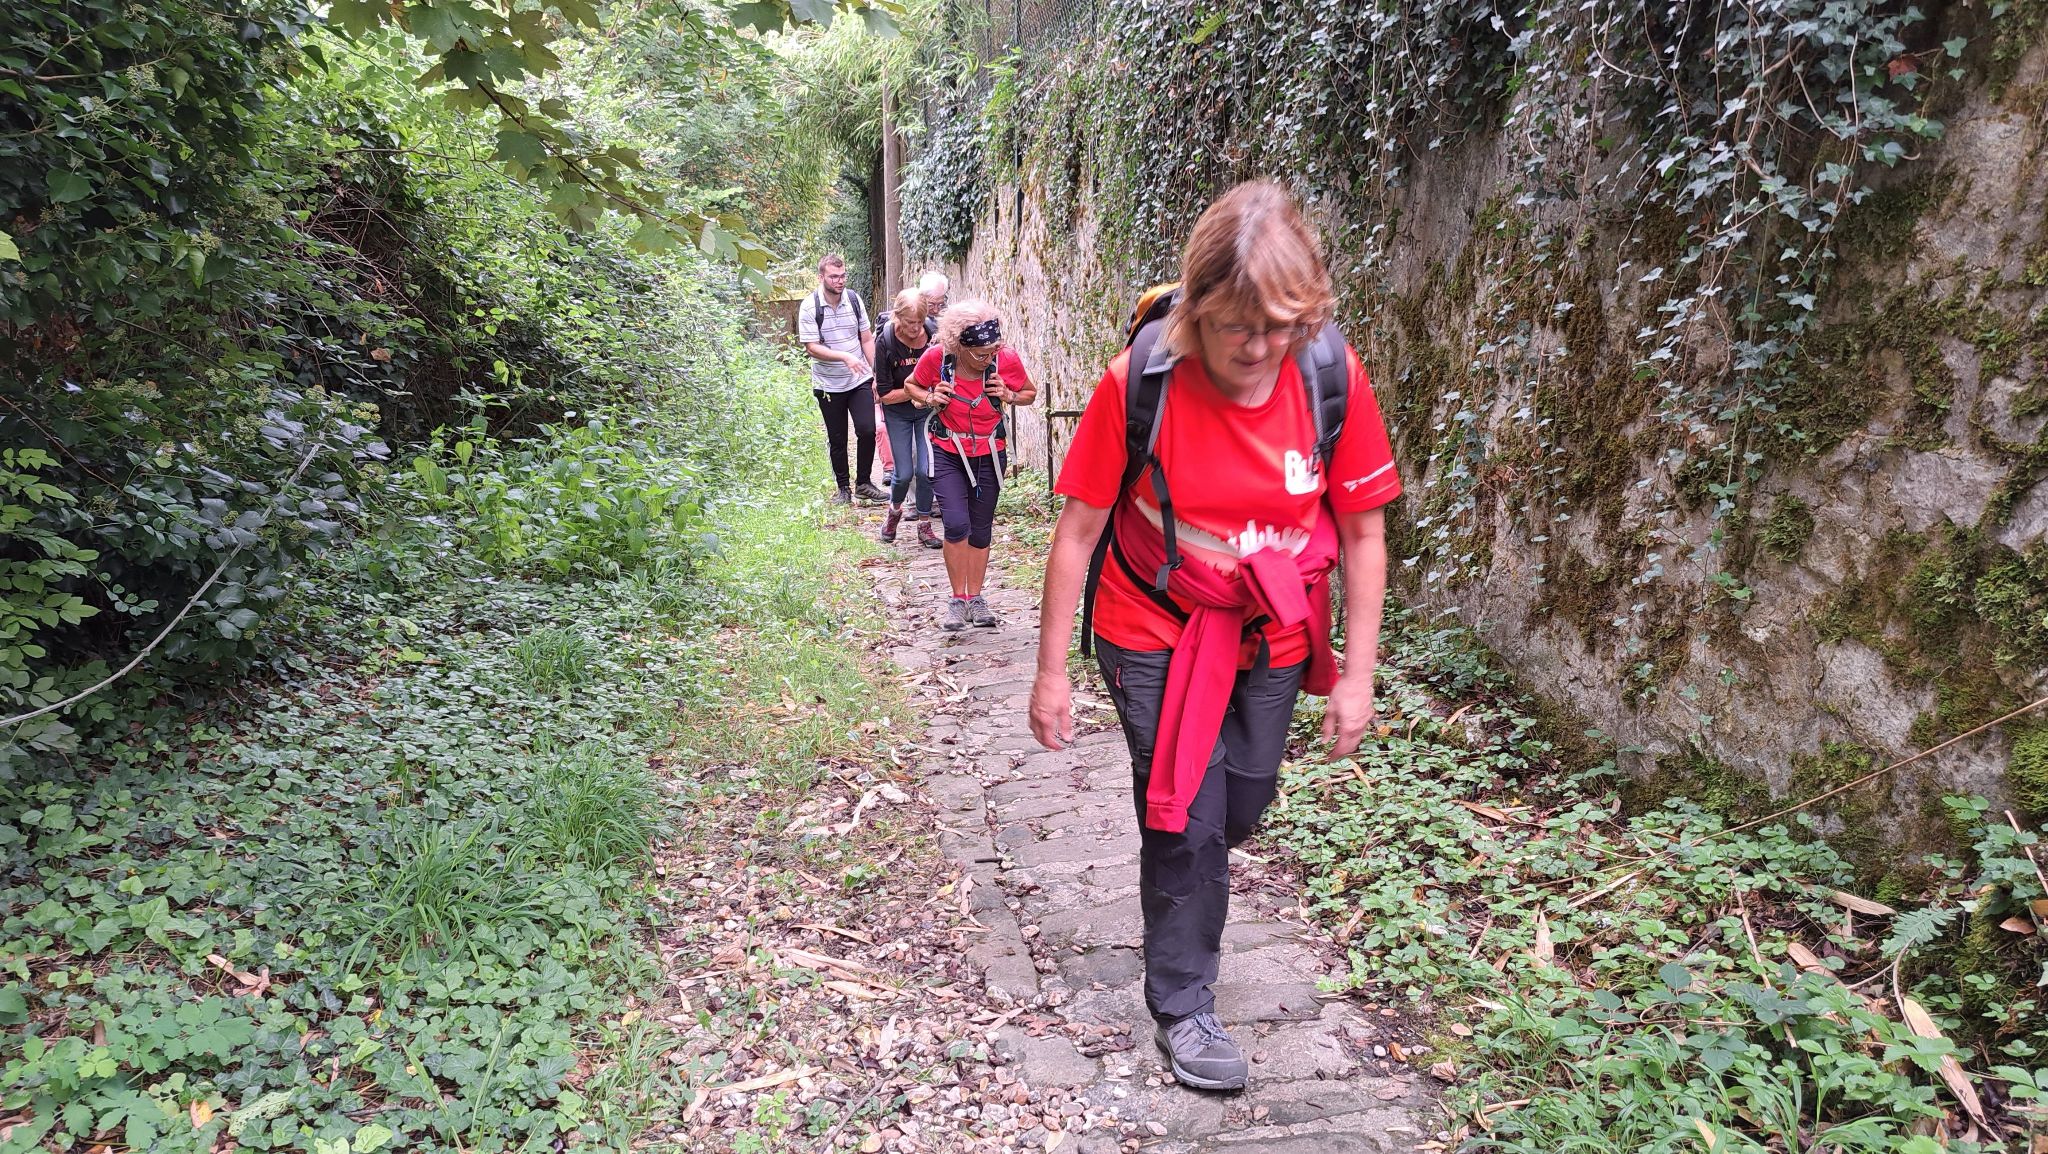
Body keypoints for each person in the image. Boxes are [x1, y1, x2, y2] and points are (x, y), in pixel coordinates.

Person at [1026, 181, 1402, 1093]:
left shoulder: (1329, 375)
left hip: (1271, 628)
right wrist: (1050, 673)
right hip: (1152, 622)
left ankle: (1194, 879)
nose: (1260, 348)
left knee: (1242, 806)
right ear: (1197, 310)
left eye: (1281, 327)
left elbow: (1363, 534)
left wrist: (1358, 675)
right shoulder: (1140, 382)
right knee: (1185, 815)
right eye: (1238, 326)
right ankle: (1184, 1004)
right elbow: (1078, 532)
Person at [904, 301, 1036, 631]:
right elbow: (911, 385)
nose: (988, 359)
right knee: (956, 524)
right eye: (980, 354)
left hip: (990, 452)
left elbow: (1029, 393)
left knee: (980, 528)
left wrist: (1008, 394)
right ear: (959, 346)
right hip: (948, 449)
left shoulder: (1004, 359)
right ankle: (957, 599)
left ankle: (976, 599)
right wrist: (930, 398)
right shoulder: (938, 358)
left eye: (992, 352)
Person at [797, 254, 886, 504]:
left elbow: (866, 338)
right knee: (837, 437)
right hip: (828, 384)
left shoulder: (854, 300)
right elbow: (812, 347)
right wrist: (844, 357)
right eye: (834, 276)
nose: (840, 280)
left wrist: (876, 373)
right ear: (821, 277)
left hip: (859, 379)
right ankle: (843, 488)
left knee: (867, 429)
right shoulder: (810, 306)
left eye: (842, 275)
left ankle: (864, 483)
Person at [874, 289, 942, 549]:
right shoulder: (886, 342)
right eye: (909, 322)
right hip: (898, 413)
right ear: (897, 317)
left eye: (919, 322)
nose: (915, 328)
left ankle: (924, 524)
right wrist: (916, 392)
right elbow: (884, 395)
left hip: (927, 412)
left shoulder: (933, 335)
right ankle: (894, 512)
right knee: (903, 474)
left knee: (926, 470)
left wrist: (929, 397)